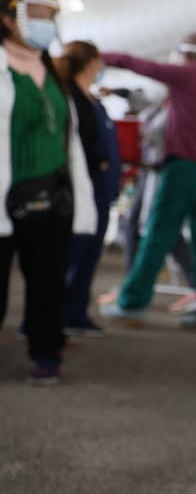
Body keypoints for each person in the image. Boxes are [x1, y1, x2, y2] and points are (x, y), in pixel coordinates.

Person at [98, 33, 196, 330]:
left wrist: (98, 56)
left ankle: (132, 304)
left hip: (186, 165)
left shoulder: (186, 75)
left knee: (158, 233)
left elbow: (141, 65)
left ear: (184, 54)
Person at [0, 0, 96, 384]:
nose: (47, 23)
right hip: (6, 193)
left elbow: (68, 140)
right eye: (37, 14)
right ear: (8, 18)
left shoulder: (52, 73)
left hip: (51, 195)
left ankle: (46, 352)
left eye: (50, 15)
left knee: (48, 279)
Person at [55, 41, 122, 336]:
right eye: (99, 61)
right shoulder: (69, 97)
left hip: (101, 190)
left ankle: (76, 312)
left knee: (89, 255)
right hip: (83, 188)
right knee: (71, 254)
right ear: (90, 62)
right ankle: (54, 317)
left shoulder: (93, 99)